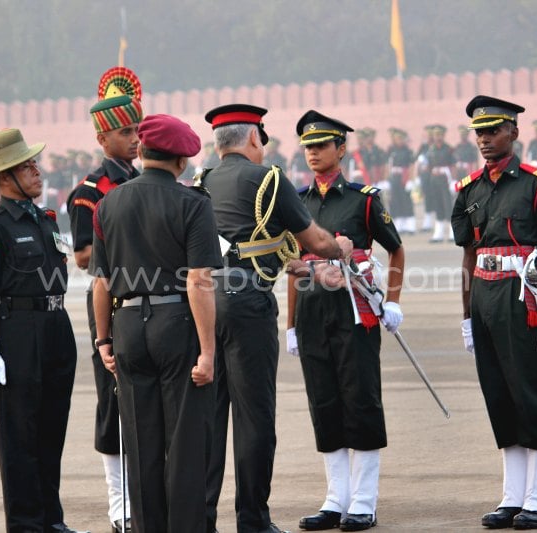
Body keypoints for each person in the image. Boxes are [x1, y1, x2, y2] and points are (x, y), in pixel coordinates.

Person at [200, 103, 353, 533]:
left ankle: (203, 517)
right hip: (247, 302)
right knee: (254, 417)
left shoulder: (201, 180)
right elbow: (314, 239)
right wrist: (338, 246)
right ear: (253, 138)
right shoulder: (268, 179)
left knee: (209, 418)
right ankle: (252, 518)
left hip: (205, 302)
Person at [91, 113, 220, 533]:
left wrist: (103, 341)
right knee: (183, 442)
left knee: (140, 442)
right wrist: (207, 351)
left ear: (142, 152)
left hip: (127, 324)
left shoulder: (108, 203)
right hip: (175, 322)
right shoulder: (193, 203)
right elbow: (199, 280)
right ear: (182, 162)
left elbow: (101, 282)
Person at [451, 96, 537, 530]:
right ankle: (511, 496)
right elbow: (468, 257)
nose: (485, 139)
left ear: (514, 133)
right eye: (479, 133)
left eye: (493, 131)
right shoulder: (469, 189)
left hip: (523, 296)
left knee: (529, 394)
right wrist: (466, 316)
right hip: (484, 294)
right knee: (498, 395)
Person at [287, 110, 405, 532]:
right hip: (314, 312)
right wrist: (291, 323)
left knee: (360, 399)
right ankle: (335, 498)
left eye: (321, 145)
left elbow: (395, 249)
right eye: (308, 147)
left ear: (341, 149)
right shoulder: (297, 202)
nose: (313, 153)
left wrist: (392, 301)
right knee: (324, 402)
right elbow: (292, 263)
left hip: (356, 312)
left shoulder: (364, 199)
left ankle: (364, 501)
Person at [0, 128, 85, 533]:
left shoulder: (46, 218)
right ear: (4, 178)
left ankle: (51, 520)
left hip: (55, 326)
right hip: (17, 332)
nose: (38, 172)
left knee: (51, 430)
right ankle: (25, 524)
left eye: (35, 164)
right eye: (27, 167)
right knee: (20, 436)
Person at [67, 65, 143, 533]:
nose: (135, 138)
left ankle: (146, 497)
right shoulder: (90, 191)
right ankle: (119, 504)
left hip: (151, 305)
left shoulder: (144, 178)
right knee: (113, 409)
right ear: (103, 137)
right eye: (124, 131)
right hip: (111, 310)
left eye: (136, 128)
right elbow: (82, 257)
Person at [424, 124, 456, 243]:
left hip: (445, 180)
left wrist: (453, 180)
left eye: (440, 135)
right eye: (436, 135)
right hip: (434, 181)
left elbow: (453, 166)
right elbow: (428, 166)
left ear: (443, 135)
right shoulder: (430, 149)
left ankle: (452, 232)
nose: (438, 137)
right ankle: (438, 233)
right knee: (438, 205)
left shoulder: (449, 149)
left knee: (448, 205)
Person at [386, 128, 416, 233]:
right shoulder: (391, 150)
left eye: (401, 139)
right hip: (394, 177)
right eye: (397, 138)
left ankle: (410, 224)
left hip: (405, 178)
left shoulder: (408, 151)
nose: (399, 140)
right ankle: (399, 223)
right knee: (395, 200)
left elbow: (412, 166)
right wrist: (387, 180)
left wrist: (411, 180)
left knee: (406, 200)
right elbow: (387, 165)